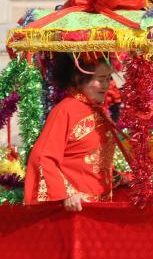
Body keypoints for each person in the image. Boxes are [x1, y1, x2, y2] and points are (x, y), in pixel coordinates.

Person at [24, 54, 118, 211]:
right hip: (75, 210)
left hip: (100, 208)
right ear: (79, 78)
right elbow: (42, 157)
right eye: (100, 79)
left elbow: (92, 159)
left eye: (108, 79)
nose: (106, 85)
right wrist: (66, 193)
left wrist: (117, 177)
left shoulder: (98, 110)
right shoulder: (65, 111)